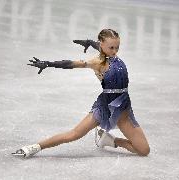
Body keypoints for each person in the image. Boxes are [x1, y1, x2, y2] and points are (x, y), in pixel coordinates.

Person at [12, 29, 150, 157]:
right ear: (102, 44)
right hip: (106, 106)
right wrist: (48, 63)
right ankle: (35, 147)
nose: (114, 51)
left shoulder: (109, 52)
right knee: (74, 134)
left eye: (117, 47)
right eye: (111, 48)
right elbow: (71, 64)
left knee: (143, 150)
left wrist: (90, 42)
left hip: (123, 108)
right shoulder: (98, 62)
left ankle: (107, 139)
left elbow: (101, 47)